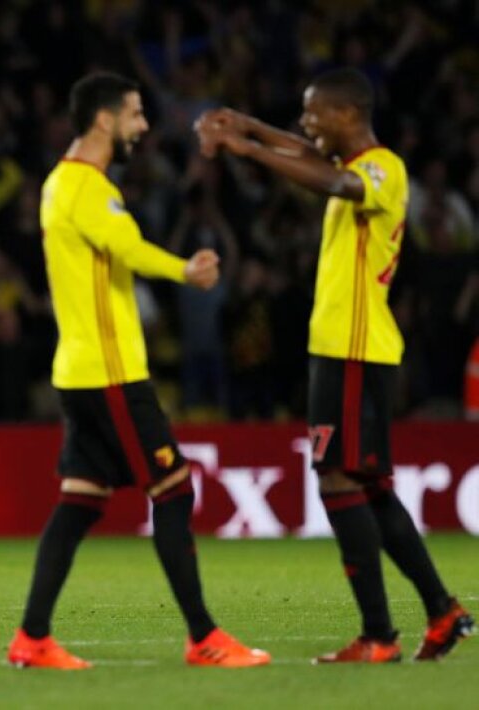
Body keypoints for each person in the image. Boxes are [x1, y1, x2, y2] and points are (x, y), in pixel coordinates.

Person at [197, 67, 474, 663]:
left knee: (339, 481)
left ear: (348, 115)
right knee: (368, 487)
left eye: (315, 111)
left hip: (354, 350)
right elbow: (306, 153)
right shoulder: (352, 163)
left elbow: (338, 183)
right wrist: (247, 126)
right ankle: (442, 611)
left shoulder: (382, 168)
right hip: (344, 349)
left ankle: (379, 636)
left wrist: (245, 146)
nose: (306, 122)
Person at [7, 72, 270, 670]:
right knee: (174, 491)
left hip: (80, 371)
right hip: (111, 374)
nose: (143, 126)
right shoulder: (85, 187)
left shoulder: (60, 183)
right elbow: (130, 248)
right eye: (135, 114)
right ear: (103, 119)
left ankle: (32, 637)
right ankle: (203, 636)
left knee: (79, 501)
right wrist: (186, 271)